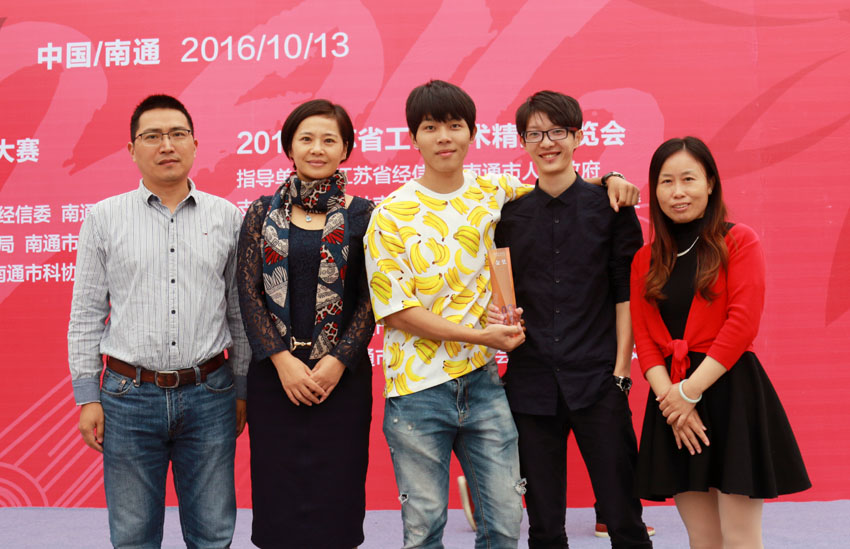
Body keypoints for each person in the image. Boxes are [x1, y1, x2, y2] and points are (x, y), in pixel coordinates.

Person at [364, 80, 638, 549]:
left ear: (472, 133)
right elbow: (395, 311)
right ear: (413, 137)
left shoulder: (492, 192)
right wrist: (484, 338)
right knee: (427, 527)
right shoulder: (391, 213)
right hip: (423, 389)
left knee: (507, 524)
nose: (444, 136)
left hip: (491, 384)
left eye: (455, 125)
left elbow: (559, 187)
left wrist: (610, 178)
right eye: (431, 127)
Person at [67, 94, 250, 548]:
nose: (166, 145)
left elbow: (239, 312)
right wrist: (87, 396)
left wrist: (243, 388)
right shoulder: (104, 218)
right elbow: (86, 314)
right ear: (132, 149)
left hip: (211, 394)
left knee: (213, 533)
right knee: (133, 535)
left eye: (177, 134)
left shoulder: (227, 217)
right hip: (128, 398)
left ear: (194, 144)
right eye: (152, 136)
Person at [489, 90, 652, 549]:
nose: (547, 143)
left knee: (624, 518)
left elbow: (626, 295)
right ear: (522, 142)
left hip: (598, 380)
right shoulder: (508, 217)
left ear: (578, 137)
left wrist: (620, 373)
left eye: (557, 131)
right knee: (543, 527)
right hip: (530, 384)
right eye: (535, 134)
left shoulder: (611, 208)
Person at [630, 136, 811, 548]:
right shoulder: (645, 259)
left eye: (688, 179)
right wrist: (673, 404)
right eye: (666, 182)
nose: (677, 192)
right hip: (673, 403)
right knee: (703, 538)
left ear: (710, 183)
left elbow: (741, 326)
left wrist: (688, 393)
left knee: (740, 538)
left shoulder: (739, 240)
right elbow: (646, 340)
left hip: (730, 395)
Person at [236, 99, 375, 549]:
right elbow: (248, 293)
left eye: (329, 140)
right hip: (275, 379)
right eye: (307, 139)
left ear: (345, 149)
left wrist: (337, 362)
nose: (318, 148)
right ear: (289, 147)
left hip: (342, 381)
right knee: (278, 498)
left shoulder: (365, 214)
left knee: (338, 498)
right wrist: (282, 361)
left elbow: (372, 300)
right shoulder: (261, 213)